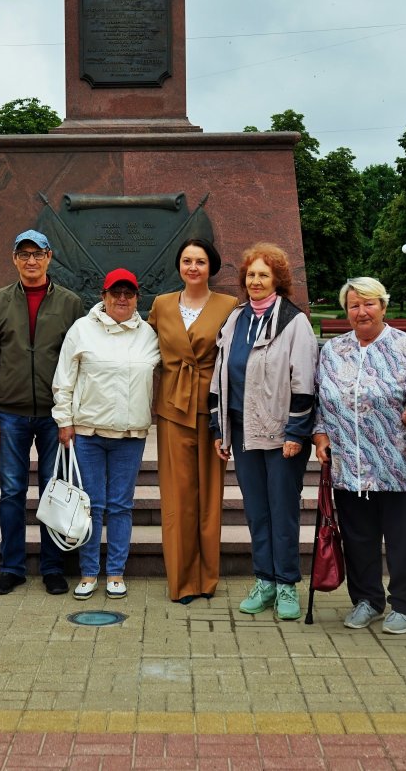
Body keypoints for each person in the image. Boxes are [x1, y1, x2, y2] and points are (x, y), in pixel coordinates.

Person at [312, 277, 406, 635]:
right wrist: (319, 435)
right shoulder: (332, 350)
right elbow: (321, 401)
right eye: (354, 305)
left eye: (369, 304)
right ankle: (367, 600)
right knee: (358, 538)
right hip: (350, 465)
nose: (362, 312)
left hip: (400, 465)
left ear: (384, 305)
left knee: (403, 539)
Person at [210, 243, 317, 622]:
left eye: (263, 275)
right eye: (251, 274)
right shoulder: (235, 318)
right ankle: (264, 582)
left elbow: (304, 381)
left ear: (277, 280)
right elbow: (219, 375)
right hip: (242, 430)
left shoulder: (294, 321)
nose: (255, 281)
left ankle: (287, 584)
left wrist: (296, 432)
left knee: (282, 510)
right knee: (256, 511)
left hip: (282, 434)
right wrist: (219, 429)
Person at [0, 229, 85, 596]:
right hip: (9, 413)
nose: (31, 261)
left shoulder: (71, 303)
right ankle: (12, 568)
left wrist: (70, 415)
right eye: (23, 255)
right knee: (12, 493)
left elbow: (79, 364)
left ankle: (53, 568)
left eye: (37, 254)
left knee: (54, 491)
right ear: (14, 259)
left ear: (49, 257)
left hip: (55, 416)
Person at [53, 269, 160, 600]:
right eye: (116, 293)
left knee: (121, 506)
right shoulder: (82, 330)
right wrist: (64, 420)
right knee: (92, 505)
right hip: (89, 433)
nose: (122, 299)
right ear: (104, 296)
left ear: (137, 299)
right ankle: (88, 573)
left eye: (129, 294)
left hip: (130, 435)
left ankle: (115, 571)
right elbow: (65, 378)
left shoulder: (149, 335)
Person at [147, 239, 239, 604]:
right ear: (179, 266)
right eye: (187, 260)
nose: (193, 267)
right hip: (172, 408)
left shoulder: (229, 306)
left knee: (209, 498)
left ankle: (206, 579)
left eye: (200, 261)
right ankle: (181, 581)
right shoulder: (161, 304)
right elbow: (141, 347)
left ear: (211, 267)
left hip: (212, 409)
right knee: (177, 498)